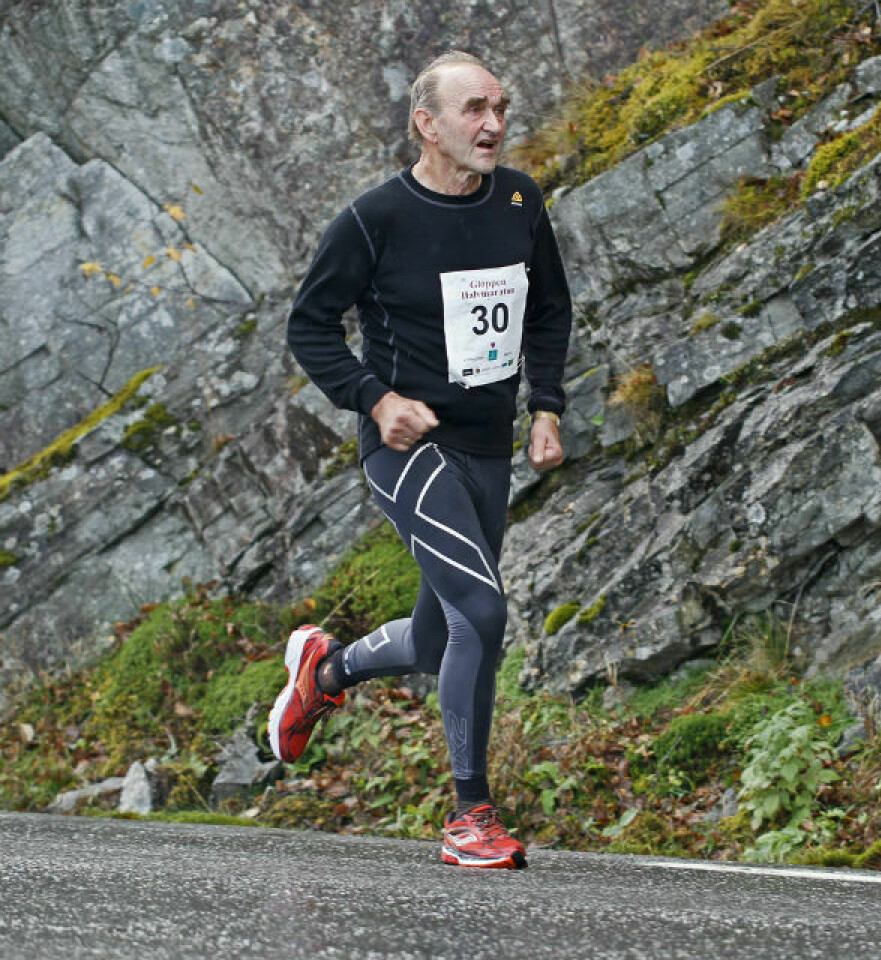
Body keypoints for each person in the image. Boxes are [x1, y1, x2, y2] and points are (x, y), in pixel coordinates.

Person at [268, 50, 571, 869]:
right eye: (474, 108)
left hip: (487, 445)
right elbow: (309, 326)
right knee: (483, 614)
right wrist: (375, 399)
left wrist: (546, 407)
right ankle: (471, 816)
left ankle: (324, 671)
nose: (494, 124)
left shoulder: (519, 200)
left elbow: (548, 309)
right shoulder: (375, 219)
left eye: (501, 107)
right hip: (408, 449)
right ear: (427, 124)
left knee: (442, 643)